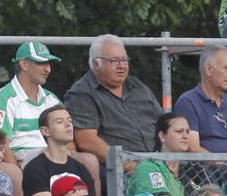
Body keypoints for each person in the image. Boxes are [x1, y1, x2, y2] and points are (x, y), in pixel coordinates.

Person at [66, 33, 163, 172]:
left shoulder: (138, 87)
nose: (122, 66)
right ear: (96, 63)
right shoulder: (82, 93)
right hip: (119, 172)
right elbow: (86, 140)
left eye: (124, 60)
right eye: (114, 61)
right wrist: (128, 164)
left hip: (158, 163)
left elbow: (164, 125)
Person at [0, 40, 64, 162]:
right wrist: (17, 173)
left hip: (51, 157)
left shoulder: (52, 99)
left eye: (48, 63)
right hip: (20, 161)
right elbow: (0, 144)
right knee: (49, 154)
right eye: (42, 63)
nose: (48, 69)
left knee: (89, 160)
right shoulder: (4, 98)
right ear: (24, 64)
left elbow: (67, 138)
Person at [22, 105, 100, 196]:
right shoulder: (34, 169)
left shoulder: (81, 168)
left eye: (69, 121)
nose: (68, 125)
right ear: (45, 131)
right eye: (60, 122)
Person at [176, 44, 227, 155]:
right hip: (206, 169)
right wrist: (220, 162)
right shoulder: (188, 102)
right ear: (209, 69)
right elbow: (192, 147)